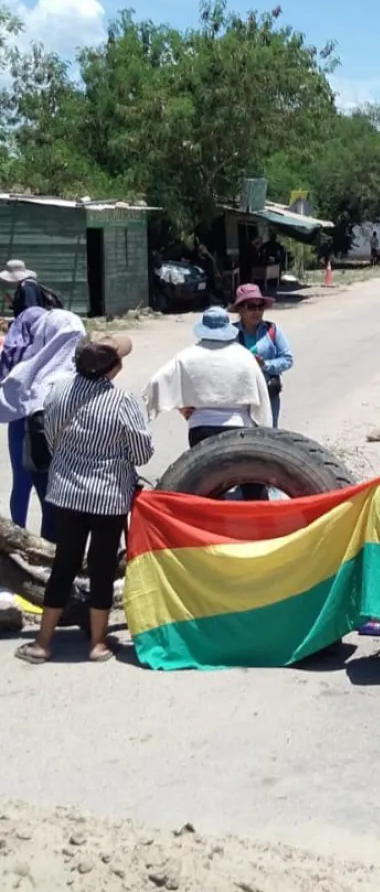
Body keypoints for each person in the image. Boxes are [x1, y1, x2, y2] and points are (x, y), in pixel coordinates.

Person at [15, 334, 153, 664]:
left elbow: (51, 439)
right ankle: (98, 645)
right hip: (109, 496)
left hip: (66, 493)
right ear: (113, 369)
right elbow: (141, 453)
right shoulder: (123, 401)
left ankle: (43, 644)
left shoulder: (59, 391)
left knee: (64, 564)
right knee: (103, 567)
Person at [0, 309, 86, 540]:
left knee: (25, 485)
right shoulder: (73, 370)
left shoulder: (24, 364)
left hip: (24, 430)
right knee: (55, 502)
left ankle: (18, 539)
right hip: (46, 442)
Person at [144, 306, 272, 448]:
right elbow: (260, 395)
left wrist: (181, 407)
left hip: (200, 428)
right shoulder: (244, 356)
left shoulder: (186, 356)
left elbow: (157, 382)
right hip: (238, 428)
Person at [230, 284, 293, 429]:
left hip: (268, 395)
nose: (257, 311)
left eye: (260, 307)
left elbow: (287, 359)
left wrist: (265, 365)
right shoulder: (230, 334)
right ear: (240, 308)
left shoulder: (272, 330)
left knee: (269, 435)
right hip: (240, 396)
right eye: (251, 306)